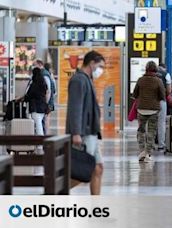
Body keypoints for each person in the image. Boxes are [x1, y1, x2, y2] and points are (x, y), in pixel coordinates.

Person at [66, 51, 105, 195]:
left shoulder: (87, 79)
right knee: (84, 171)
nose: (100, 70)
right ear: (92, 63)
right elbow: (75, 107)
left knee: (98, 168)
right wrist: (76, 133)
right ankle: (54, 192)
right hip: (83, 133)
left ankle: (96, 209)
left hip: (91, 132)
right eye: (100, 66)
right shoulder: (78, 80)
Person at [133, 61, 165, 162]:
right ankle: (148, 154)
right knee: (151, 131)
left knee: (141, 130)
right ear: (155, 69)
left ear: (146, 69)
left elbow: (135, 94)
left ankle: (142, 151)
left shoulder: (140, 80)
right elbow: (162, 96)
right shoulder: (158, 81)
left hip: (141, 109)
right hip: (153, 110)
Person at [23, 67, 48, 151]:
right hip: (42, 107)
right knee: (40, 124)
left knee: (38, 126)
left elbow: (29, 95)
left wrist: (24, 98)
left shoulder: (34, 84)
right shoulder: (43, 83)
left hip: (36, 108)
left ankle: (40, 144)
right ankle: (40, 143)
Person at [33, 59, 55, 135]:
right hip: (44, 103)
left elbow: (48, 90)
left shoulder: (44, 74)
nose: (33, 67)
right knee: (43, 121)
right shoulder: (43, 73)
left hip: (44, 103)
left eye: (34, 65)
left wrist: (45, 103)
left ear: (39, 64)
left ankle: (44, 138)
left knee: (43, 121)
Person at [156, 63, 172, 152]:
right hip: (161, 101)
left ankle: (150, 144)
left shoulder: (152, 74)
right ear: (164, 68)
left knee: (151, 123)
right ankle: (161, 145)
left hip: (151, 101)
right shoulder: (166, 75)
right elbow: (169, 90)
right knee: (161, 123)